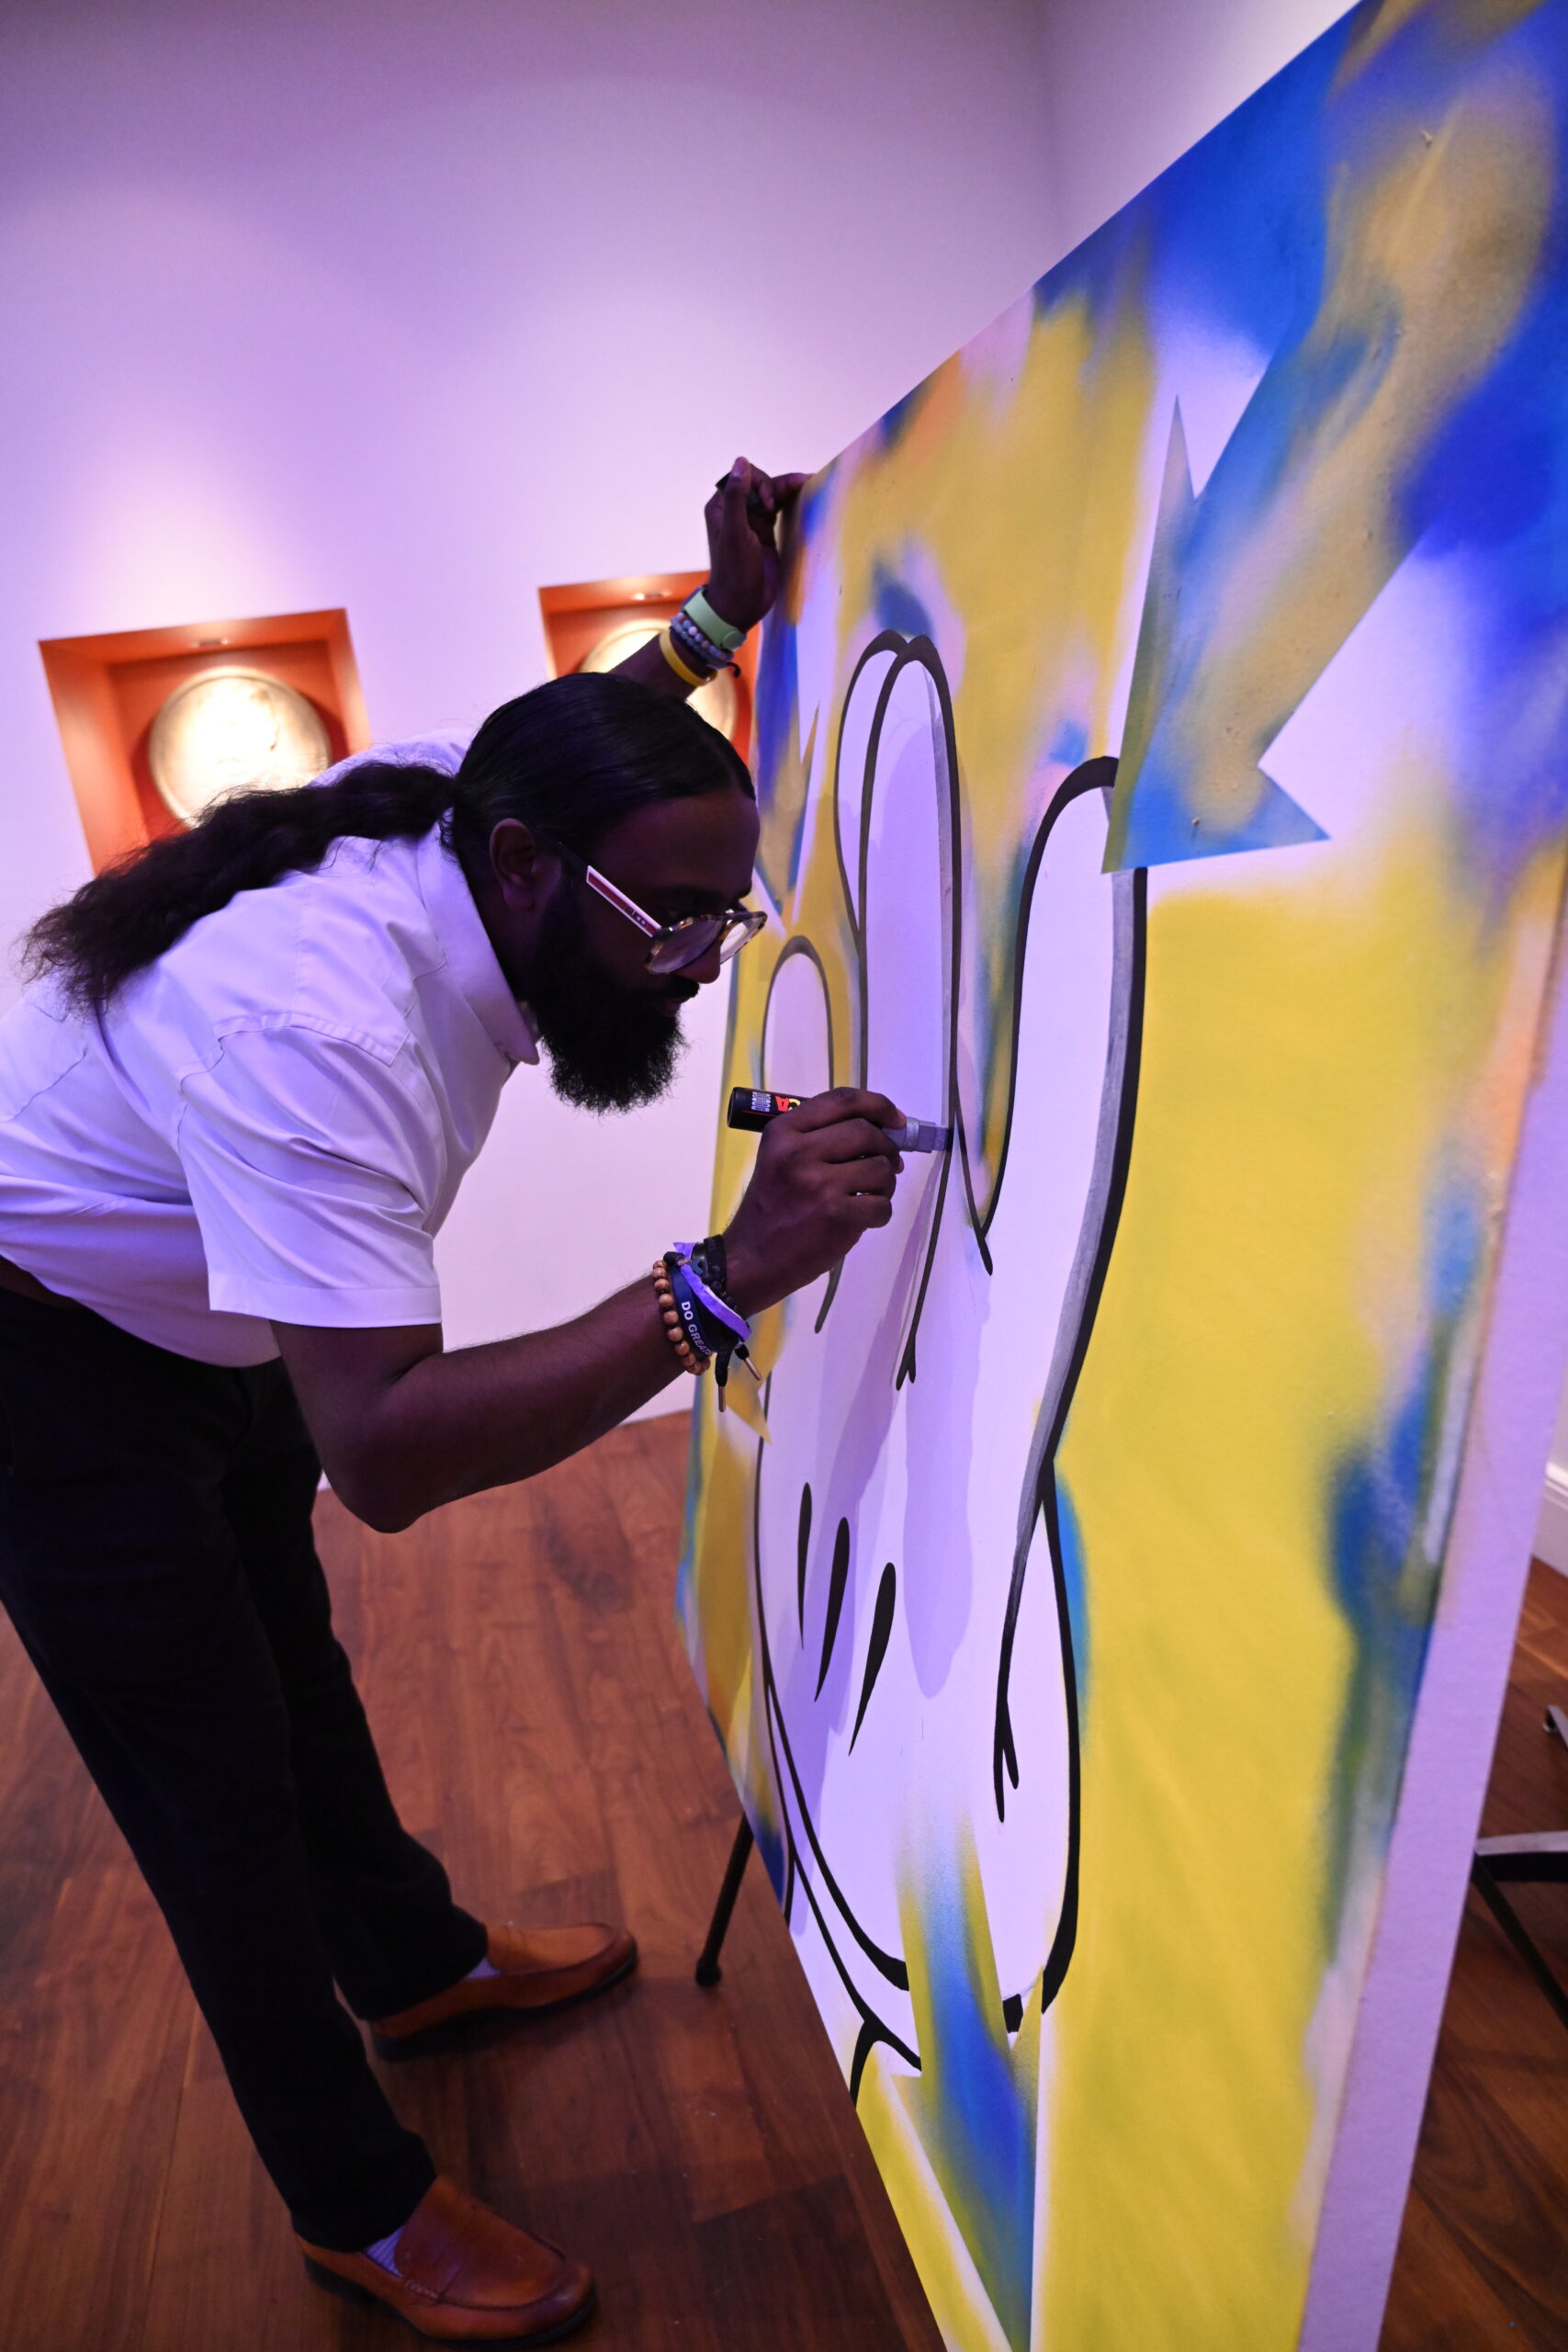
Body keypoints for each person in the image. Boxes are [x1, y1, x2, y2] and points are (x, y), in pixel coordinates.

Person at [0, 459, 905, 2346]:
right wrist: (724, 1276)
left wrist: (715, 627)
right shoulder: (321, 1029)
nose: (698, 963)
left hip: (201, 1308)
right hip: (48, 1366)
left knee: (294, 1671)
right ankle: (358, 2203)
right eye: (671, 920)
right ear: (520, 876)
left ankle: (408, 1964)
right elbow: (390, 1453)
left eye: (723, 915)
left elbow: (588, 737)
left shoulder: (470, 797)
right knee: (212, 1789)